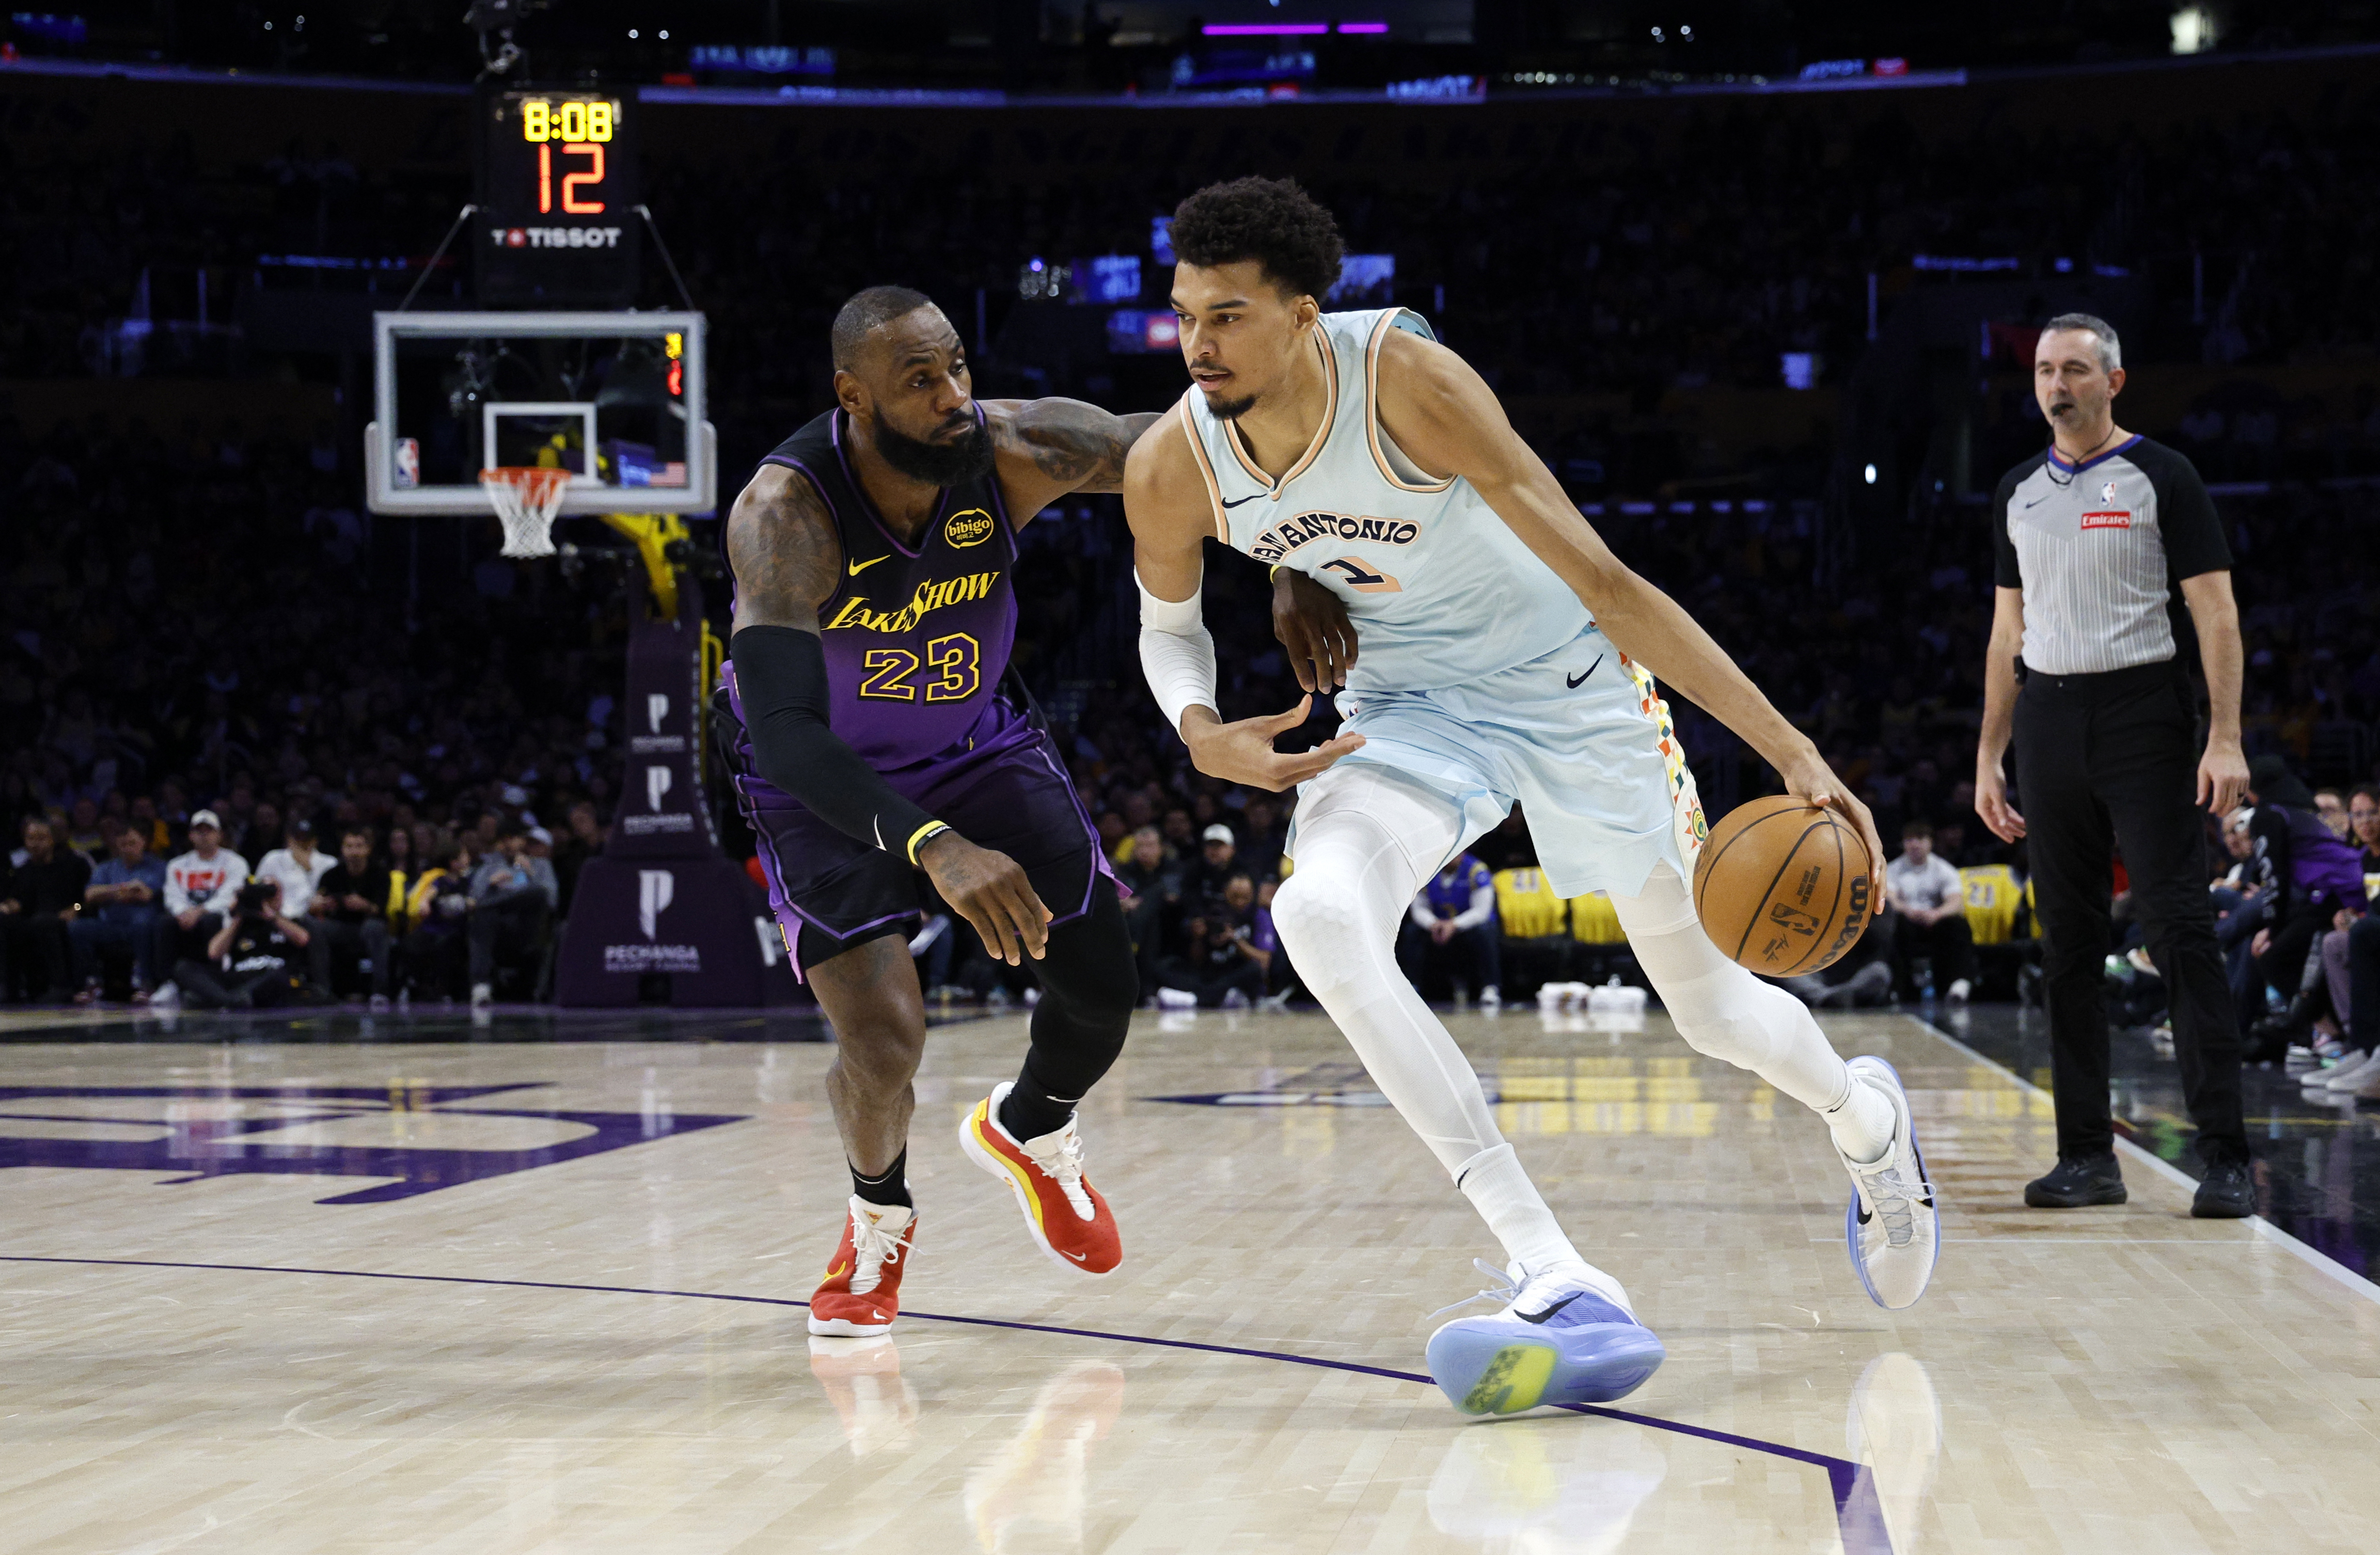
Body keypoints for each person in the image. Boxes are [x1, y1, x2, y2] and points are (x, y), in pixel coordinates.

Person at [1123, 176, 1934, 1417]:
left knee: (1712, 1011)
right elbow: (1167, 625)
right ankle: (1554, 1272)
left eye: (1227, 316)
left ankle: (1865, 1119)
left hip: (1572, 687)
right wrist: (1197, 729)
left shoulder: (1410, 384)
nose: (1197, 344)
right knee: (1318, 914)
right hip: (1408, 709)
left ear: (1302, 315)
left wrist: (1792, 751)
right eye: (1184, 316)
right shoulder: (1172, 462)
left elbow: (1606, 583)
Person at [715, 285, 1348, 1336]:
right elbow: (784, 732)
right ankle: (877, 1220)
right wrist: (933, 844)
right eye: (920, 380)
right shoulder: (785, 514)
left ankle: (1030, 1128)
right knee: (883, 1041)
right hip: (817, 779)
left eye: (957, 366)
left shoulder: (1012, 446)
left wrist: (1290, 558)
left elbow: (1200, 454)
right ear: (853, 397)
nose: (953, 396)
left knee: (1102, 987)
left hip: (974, 745)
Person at [1974, 313, 2253, 1218]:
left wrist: (2224, 736)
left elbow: (2215, 612)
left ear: (2112, 381)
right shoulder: (2016, 490)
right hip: (2048, 718)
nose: (2055, 386)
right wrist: (1988, 752)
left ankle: (2225, 1158)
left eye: (2073, 370)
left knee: (2177, 930)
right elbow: (2005, 632)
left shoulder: (2162, 476)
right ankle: (2085, 1156)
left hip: (2145, 714)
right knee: (2065, 944)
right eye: (2043, 371)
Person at [148, 809, 248, 1011]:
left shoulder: (236, 863)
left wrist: (199, 911)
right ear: (191, 835)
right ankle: (168, 983)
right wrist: (184, 913)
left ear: (219, 835)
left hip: (220, 919)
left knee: (212, 920)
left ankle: (214, 978)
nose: (204, 835)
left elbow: (230, 896)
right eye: (199, 831)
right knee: (164, 922)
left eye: (209, 830)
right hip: (186, 918)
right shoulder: (177, 865)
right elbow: (172, 896)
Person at [174, 876, 309, 1010]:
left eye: (271, 892)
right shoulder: (240, 925)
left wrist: (272, 916)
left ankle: (225, 1001)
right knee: (184, 967)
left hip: (269, 979)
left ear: (281, 897)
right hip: (239, 979)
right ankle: (232, 1001)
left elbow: (303, 939)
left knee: (280, 975)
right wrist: (239, 915)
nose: (266, 898)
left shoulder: (288, 922)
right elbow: (214, 954)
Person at [70, 823, 167, 1003]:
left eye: (132, 843)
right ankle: (91, 982)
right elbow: (89, 896)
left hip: (142, 926)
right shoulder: (106, 868)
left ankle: (144, 983)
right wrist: (121, 890)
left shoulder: (158, 867)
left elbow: (145, 894)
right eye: (123, 844)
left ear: (144, 842)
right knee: (78, 928)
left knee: (143, 925)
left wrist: (109, 893)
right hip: (111, 925)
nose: (127, 849)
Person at [1883, 819, 1974, 1003]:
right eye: (1909, 840)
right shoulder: (1893, 869)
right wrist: (1908, 911)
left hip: (1935, 922)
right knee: (1893, 925)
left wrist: (1937, 914)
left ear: (1930, 843)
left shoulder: (1944, 869)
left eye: (1920, 839)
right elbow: (1890, 898)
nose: (1914, 845)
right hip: (1907, 920)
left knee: (1958, 924)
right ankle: (1900, 988)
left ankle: (1958, 984)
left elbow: (1956, 901)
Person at [1, 816, 89, 1003]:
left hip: (61, 920)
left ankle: (61, 986)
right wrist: (7, 907)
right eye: (31, 839)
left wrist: (76, 909)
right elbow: (19, 900)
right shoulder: (24, 871)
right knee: (6, 923)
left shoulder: (74, 864)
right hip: (33, 921)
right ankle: (9, 987)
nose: (35, 844)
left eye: (41, 838)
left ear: (52, 840)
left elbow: (85, 899)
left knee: (44, 922)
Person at [467, 827, 558, 1006]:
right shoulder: (489, 868)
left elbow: (552, 900)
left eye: (513, 838)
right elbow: (473, 901)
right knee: (485, 915)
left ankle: (493, 903)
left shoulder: (541, 865)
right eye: (505, 839)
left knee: (537, 892)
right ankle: (481, 985)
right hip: (498, 931)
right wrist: (490, 885)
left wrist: (531, 874)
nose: (509, 844)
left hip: (528, 929)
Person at [1402, 851, 1502, 1009]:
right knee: (1412, 932)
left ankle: (1490, 987)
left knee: (1485, 931)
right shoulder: (1427, 872)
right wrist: (1433, 924)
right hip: (1438, 927)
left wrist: (1454, 925)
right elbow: (1419, 909)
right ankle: (1412, 986)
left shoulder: (1477, 871)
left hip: (1468, 926)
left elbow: (1481, 912)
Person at [309, 824, 394, 1008]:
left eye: (359, 846)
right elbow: (318, 904)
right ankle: (322, 989)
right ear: (342, 849)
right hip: (341, 927)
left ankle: (380, 991)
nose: (354, 852)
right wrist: (321, 905)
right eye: (349, 847)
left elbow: (380, 909)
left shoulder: (380, 874)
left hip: (369, 927)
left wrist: (364, 905)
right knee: (315, 926)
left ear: (368, 849)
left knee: (375, 928)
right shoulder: (331, 875)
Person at [255, 818, 337, 989]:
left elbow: (327, 898)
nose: (301, 843)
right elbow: (258, 890)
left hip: (311, 919)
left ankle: (322, 988)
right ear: (289, 839)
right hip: (276, 916)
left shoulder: (329, 863)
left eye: (306, 839)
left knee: (313, 926)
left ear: (315, 841)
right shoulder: (273, 859)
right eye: (297, 839)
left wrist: (308, 869)